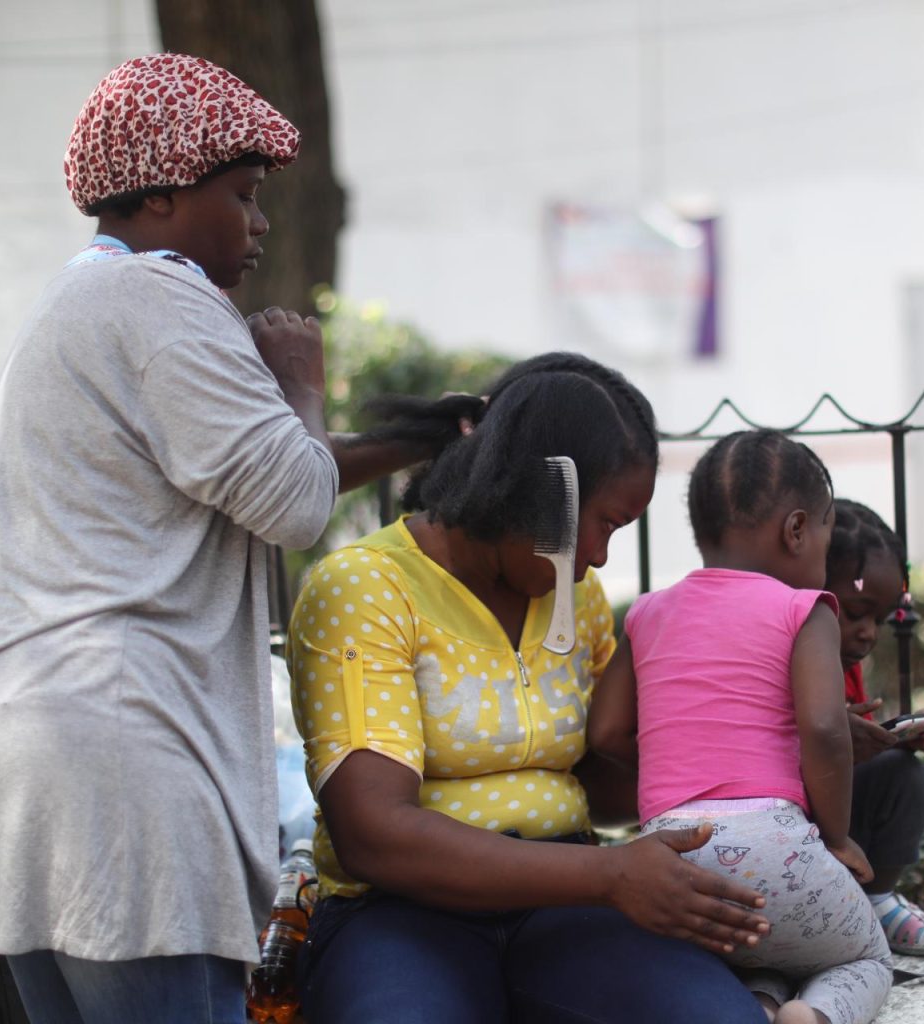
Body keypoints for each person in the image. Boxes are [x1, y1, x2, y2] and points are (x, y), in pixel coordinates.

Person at [0, 55, 428, 1024]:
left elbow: (247, 473)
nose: (261, 224)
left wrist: (413, 438)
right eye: (242, 195)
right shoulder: (165, 298)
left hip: (3, 741)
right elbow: (295, 499)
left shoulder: (79, 300)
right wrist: (297, 376)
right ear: (157, 194)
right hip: (109, 755)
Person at [286, 352, 773, 1024]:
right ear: (545, 497)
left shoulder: (579, 597)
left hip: (568, 906)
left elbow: (603, 786)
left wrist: (777, 751)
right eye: (605, 523)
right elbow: (376, 835)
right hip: (401, 914)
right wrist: (611, 876)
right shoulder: (367, 587)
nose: (601, 556)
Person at [589, 430, 894, 1024]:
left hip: (671, 861)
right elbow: (827, 731)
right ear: (798, 529)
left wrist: (679, 759)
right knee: (864, 959)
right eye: (829, 531)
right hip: (776, 844)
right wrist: (834, 838)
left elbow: (604, 733)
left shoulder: (648, 611)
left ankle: (759, 1003)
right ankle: (816, 1017)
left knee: (760, 950)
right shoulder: (804, 609)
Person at [825, 499, 924, 956]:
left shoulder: (843, 660)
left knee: (906, 776)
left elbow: (852, 757)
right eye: (855, 612)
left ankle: (876, 900)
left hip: (831, 812)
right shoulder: (791, 647)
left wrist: (895, 741)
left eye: (880, 619)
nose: (868, 632)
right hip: (787, 821)